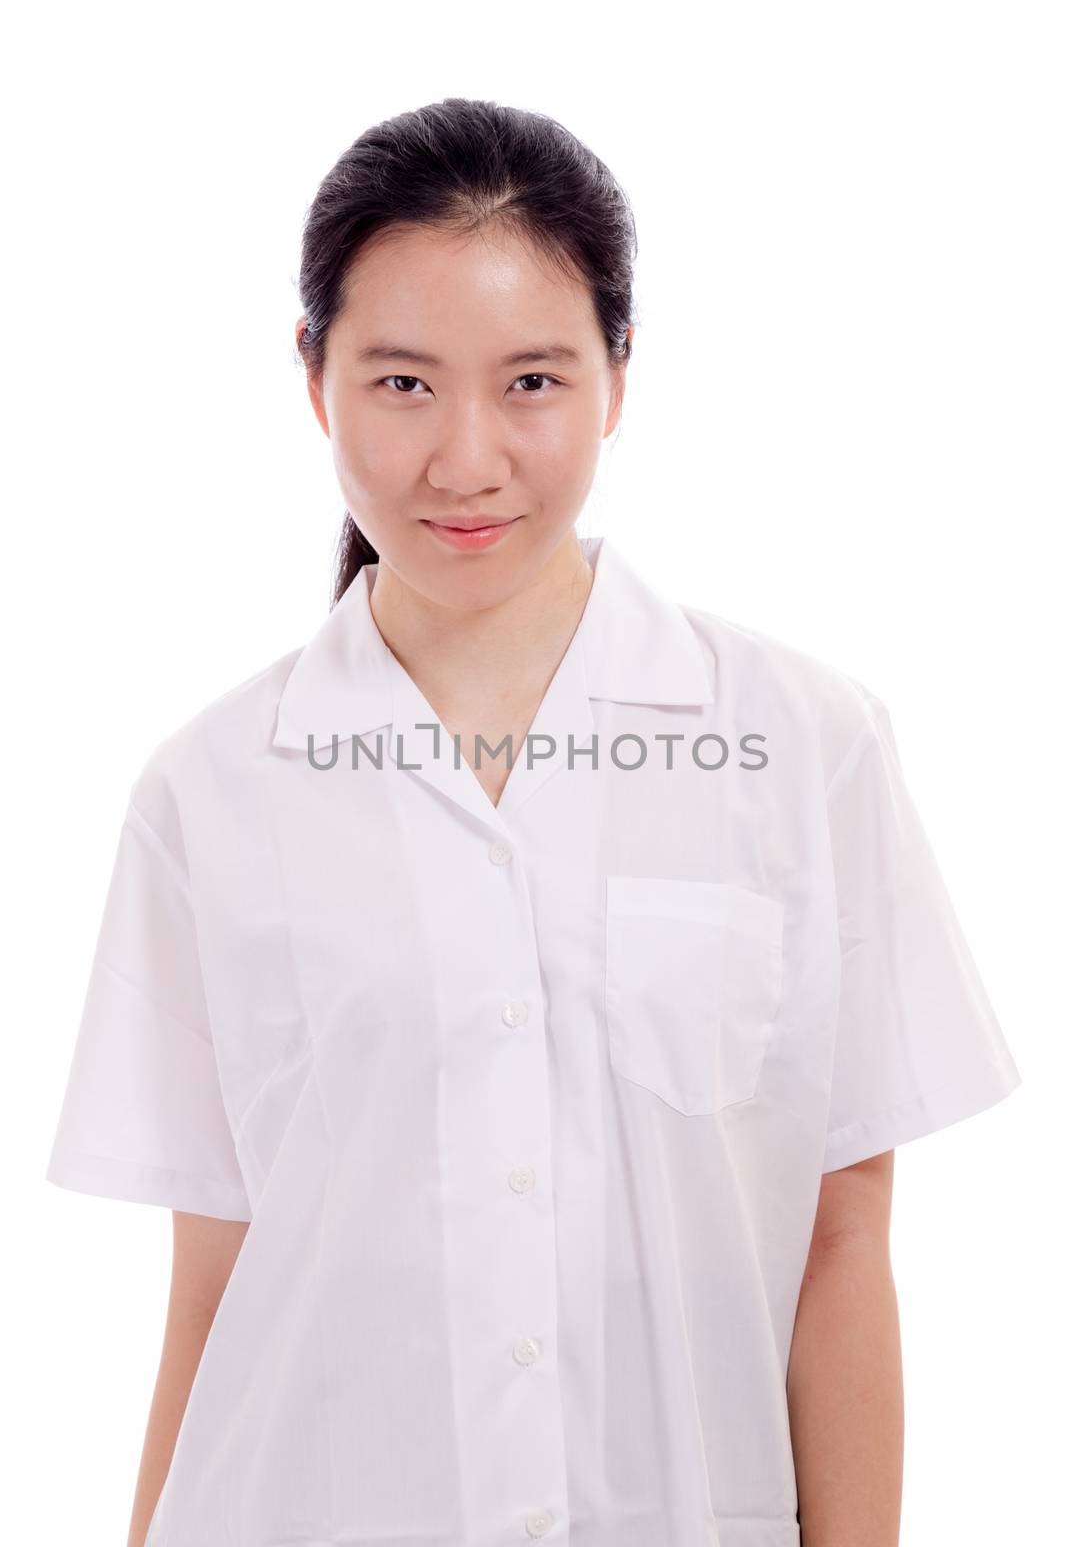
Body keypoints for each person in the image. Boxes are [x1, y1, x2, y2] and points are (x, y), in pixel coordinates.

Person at [44, 97, 1023, 1547]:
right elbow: (217, 1281)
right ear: (311, 379)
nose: (467, 460)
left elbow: (841, 1235)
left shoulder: (804, 748)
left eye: (533, 382)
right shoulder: (211, 790)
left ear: (620, 376)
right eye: (402, 384)